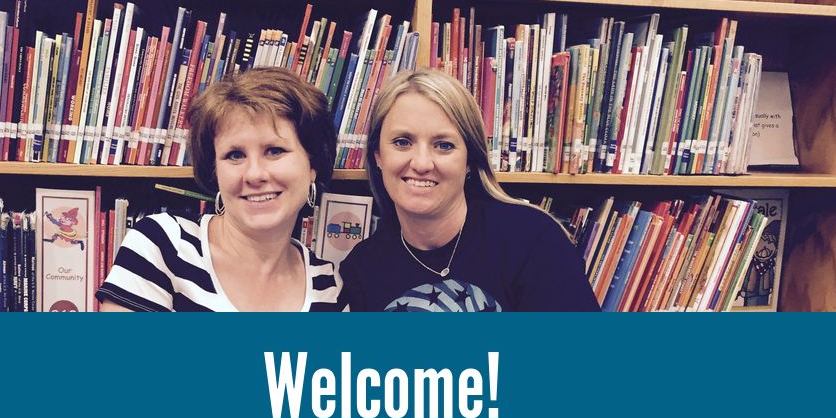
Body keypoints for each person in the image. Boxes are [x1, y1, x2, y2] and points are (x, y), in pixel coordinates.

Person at [340, 68, 599, 312]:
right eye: (402, 142)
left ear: (469, 161)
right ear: (378, 156)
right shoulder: (361, 269)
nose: (421, 163)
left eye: (444, 145)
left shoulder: (533, 240)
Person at [97, 67, 344, 311]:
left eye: (274, 151)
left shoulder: (329, 288)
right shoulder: (162, 245)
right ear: (215, 171)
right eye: (235, 155)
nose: (254, 174)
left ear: (313, 165)